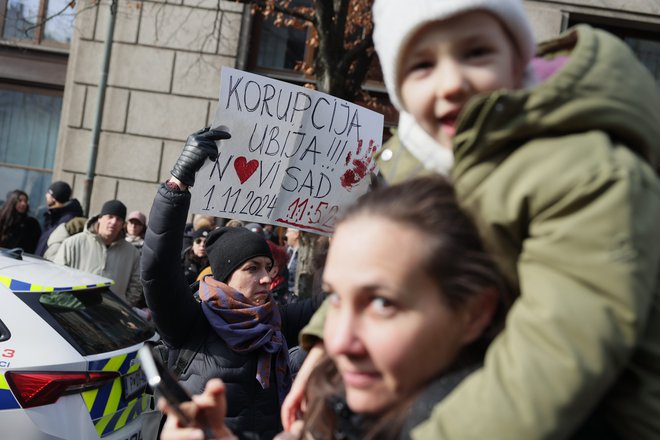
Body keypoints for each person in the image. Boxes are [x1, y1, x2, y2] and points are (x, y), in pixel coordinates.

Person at [289, 1, 660, 439]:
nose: (452, 84)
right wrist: (324, 345)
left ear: (518, 56)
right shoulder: (420, 156)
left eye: (476, 53)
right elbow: (366, 268)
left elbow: (556, 355)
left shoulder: (586, 170)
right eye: (422, 65)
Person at [158, 176, 514, 440]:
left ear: (474, 314)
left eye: (381, 303)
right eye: (337, 300)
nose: (337, 341)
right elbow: (157, 273)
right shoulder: (195, 321)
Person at [141, 127, 324, 439]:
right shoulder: (189, 322)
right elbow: (157, 267)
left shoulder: (275, 321)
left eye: (268, 267)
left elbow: (333, 303)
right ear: (225, 277)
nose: (266, 277)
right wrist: (178, 182)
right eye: (252, 268)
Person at [54, 200, 144, 309]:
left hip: (112, 316)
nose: (114, 222)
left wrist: (125, 306)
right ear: (100, 218)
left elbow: (136, 285)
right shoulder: (73, 243)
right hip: (74, 313)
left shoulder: (132, 253)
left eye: (119, 219)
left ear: (122, 225)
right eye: (110, 217)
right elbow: (57, 278)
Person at [34, 181, 84, 256]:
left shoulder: (67, 220)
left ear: (54, 198)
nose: (46, 195)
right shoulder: (53, 215)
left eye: (48, 193)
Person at [0, 189, 41, 254]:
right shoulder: (2, 220)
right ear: (12, 201)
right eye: (20, 200)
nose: (23, 204)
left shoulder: (31, 224)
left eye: (26, 201)